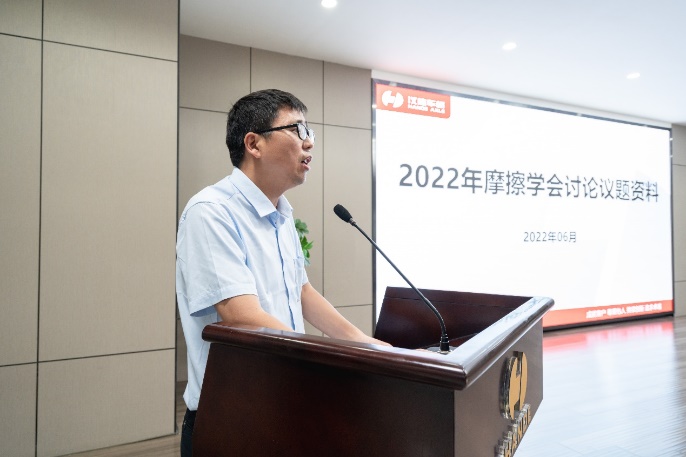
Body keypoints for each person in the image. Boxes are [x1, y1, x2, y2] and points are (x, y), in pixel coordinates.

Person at [176, 89, 389, 456]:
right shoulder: (211, 211)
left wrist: (369, 346)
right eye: (297, 129)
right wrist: (326, 364)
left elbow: (302, 292)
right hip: (232, 419)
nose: (309, 142)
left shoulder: (282, 214)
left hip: (285, 406)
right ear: (253, 144)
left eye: (310, 131)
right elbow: (242, 316)